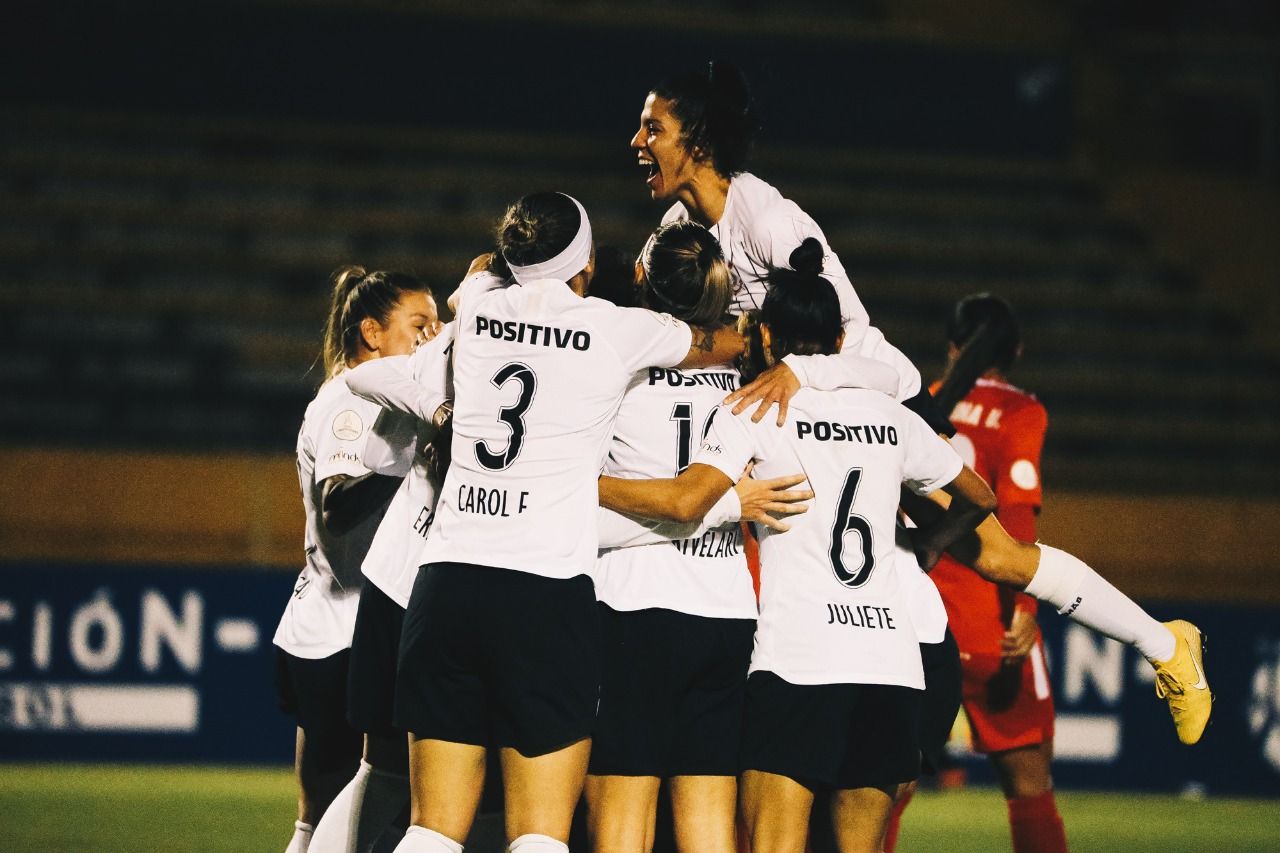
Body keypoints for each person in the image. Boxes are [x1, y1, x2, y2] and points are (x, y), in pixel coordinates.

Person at [629, 62, 1211, 746]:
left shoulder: (769, 219)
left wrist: (801, 372)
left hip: (874, 388)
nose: (637, 142)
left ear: (696, 140)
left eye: (653, 127)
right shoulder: (679, 225)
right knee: (902, 553)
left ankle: (1166, 645)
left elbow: (854, 344)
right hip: (808, 407)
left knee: (998, 557)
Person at [388, 192, 779, 853]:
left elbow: (477, 276)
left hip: (448, 580)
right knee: (540, 835)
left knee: (430, 831)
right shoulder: (616, 329)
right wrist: (768, 345)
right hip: (543, 590)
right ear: (587, 263)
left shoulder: (480, 305)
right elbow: (715, 343)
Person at [597, 241, 998, 853]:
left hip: (796, 659)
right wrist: (925, 545)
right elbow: (979, 496)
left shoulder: (752, 407)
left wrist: (568, 481)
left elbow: (687, 500)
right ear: (839, 341)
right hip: (888, 663)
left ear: (764, 338)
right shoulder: (892, 415)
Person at [585, 220, 759, 853]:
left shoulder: (615, 372)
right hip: (725, 611)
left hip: (635, 610)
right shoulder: (747, 380)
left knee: (622, 818)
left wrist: (590, 485)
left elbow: (584, 509)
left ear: (641, 278)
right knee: (710, 827)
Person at [888, 294, 1069, 852]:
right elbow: (1013, 514)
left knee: (887, 785)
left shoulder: (923, 404)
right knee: (1029, 784)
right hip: (991, 623)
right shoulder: (1022, 411)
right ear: (1015, 350)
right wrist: (1026, 609)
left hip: (917, 620)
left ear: (951, 347)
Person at [274, 267, 437, 853]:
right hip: (344, 633)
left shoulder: (385, 395)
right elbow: (338, 501)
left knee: (319, 819)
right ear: (372, 331)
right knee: (366, 807)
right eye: (420, 324)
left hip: (332, 628)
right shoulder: (352, 400)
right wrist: (413, 456)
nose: (433, 336)